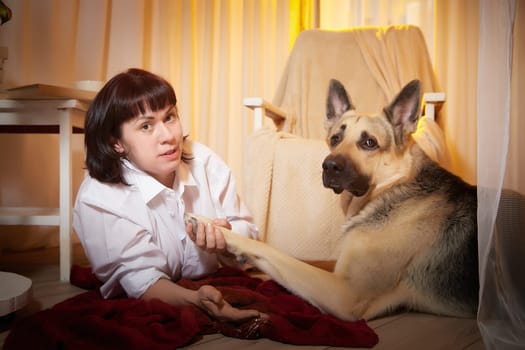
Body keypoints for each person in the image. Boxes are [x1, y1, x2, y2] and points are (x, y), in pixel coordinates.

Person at [73, 68, 263, 321]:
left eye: (170, 117)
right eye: (146, 126)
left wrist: (228, 240)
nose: (168, 136)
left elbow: (249, 232)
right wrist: (197, 300)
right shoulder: (100, 198)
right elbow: (142, 280)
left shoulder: (204, 161)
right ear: (116, 142)